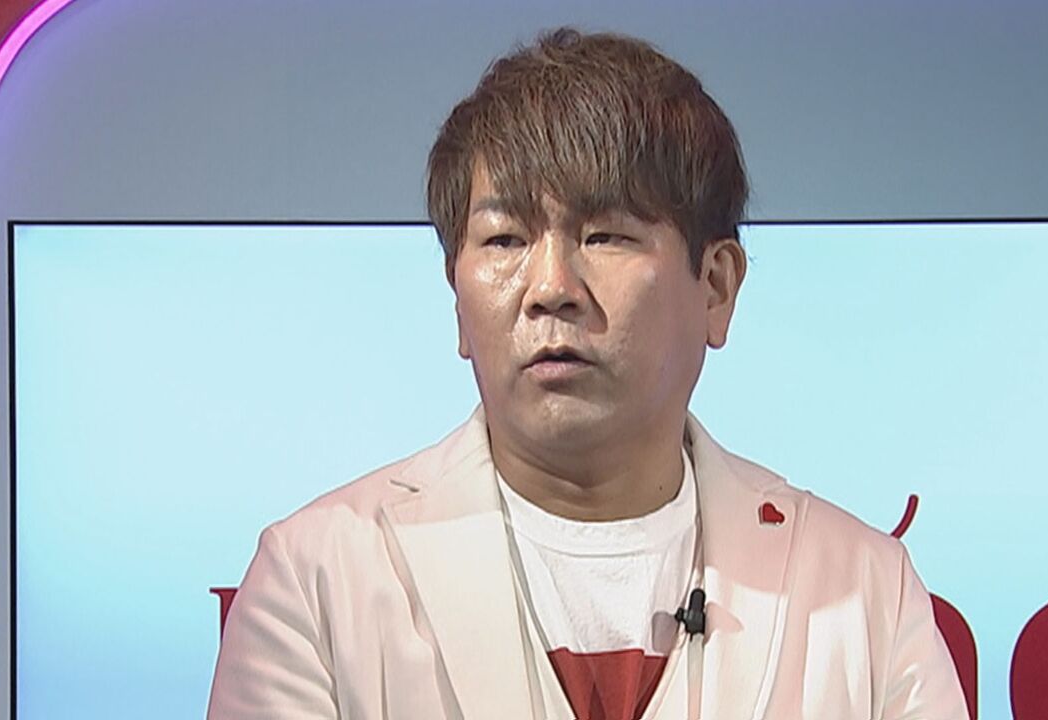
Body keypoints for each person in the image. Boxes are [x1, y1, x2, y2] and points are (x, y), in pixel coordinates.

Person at [207, 27, 969, 720]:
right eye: (504, 240)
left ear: (715, 287)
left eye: (605, 235)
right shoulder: (316, 580)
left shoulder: (863, 591)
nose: (550, 287)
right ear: (456, 297)